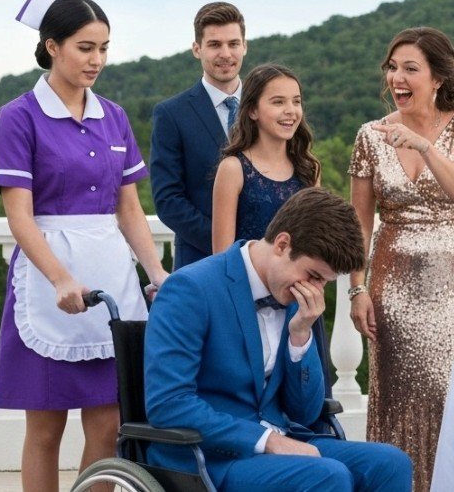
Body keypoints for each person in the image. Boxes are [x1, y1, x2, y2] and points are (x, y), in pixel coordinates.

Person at [0, 0, 168, 491]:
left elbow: (128, 209)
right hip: (49, 282)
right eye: (85, 48)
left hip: (111, 279)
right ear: (52, 47)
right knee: (46, 429)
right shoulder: (18, 116)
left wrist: (157, 272)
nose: (97, 60)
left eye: (104, 49)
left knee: (108, 426)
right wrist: (60, 278)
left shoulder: (114, 116)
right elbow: (19, 217)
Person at [144, 187, 412, 491]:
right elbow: (169, 404)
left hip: (284, 440)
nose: (315, 290)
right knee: (327, 475)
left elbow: (306, 413)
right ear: (283, 244)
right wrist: (266, 440)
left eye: (324, 282)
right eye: (314, 276)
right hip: (210, 457)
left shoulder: (295, 298)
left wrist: (300, 336)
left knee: (391, 463)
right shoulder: (191, 289)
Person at [348, 27, 454, 492]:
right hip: (392, 290)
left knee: (453, 393)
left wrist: (423, 146)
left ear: (438, 78)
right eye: (392, 68)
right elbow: (359, 225)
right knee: (396, 399)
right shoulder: (370, 136)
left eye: (410, 68)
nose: (397, 78)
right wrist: (357, 288)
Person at [151, 1, 247, 269]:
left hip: (270, 265)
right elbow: (168, 201)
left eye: (233, 44)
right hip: (200, 264)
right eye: (215, 44)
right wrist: (231, 244)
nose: (225, 54)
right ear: (197, 49)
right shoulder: (171, 114)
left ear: (245, 46)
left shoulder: (267, 106)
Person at [211, 63, 319, 253]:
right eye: (278, 102)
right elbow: (222, 256)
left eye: (296, 101)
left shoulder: (309, 168)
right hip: (246, 272)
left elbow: (315, 242)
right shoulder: (233, 169)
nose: (291, 110)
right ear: (253, 110)